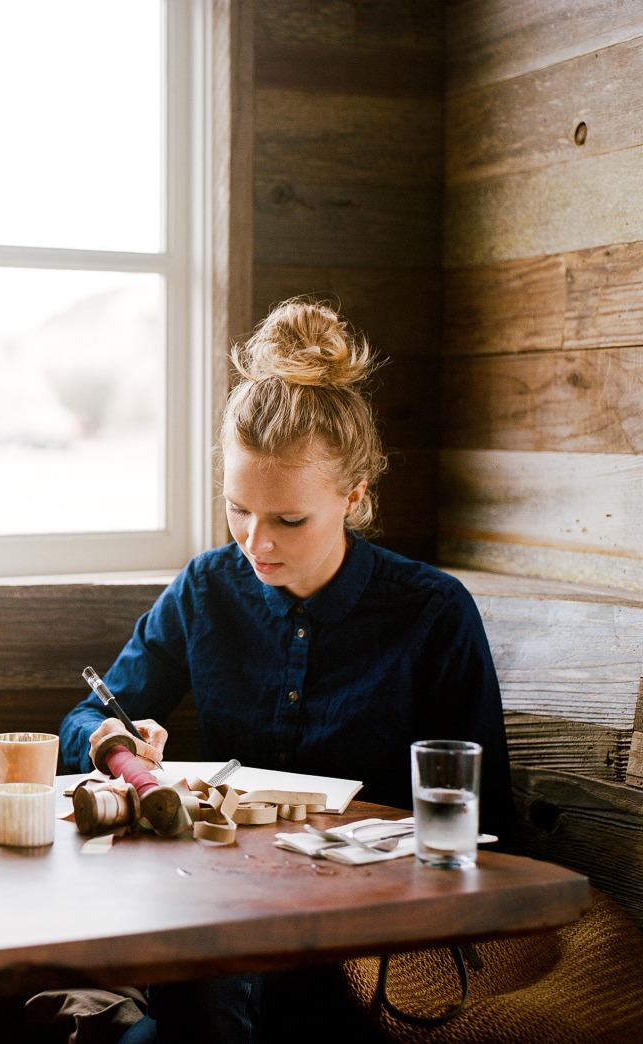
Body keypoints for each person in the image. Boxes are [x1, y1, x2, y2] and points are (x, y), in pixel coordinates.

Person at [58, 298, 511, 1043]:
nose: (254, 544)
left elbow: (488, 822)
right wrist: (116, 741)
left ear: (354, 497)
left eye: (287, 520)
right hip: (213, 901)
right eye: (238, 510)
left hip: (368, 928)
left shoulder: (432, 613)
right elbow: (83, 718)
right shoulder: (206, 589)